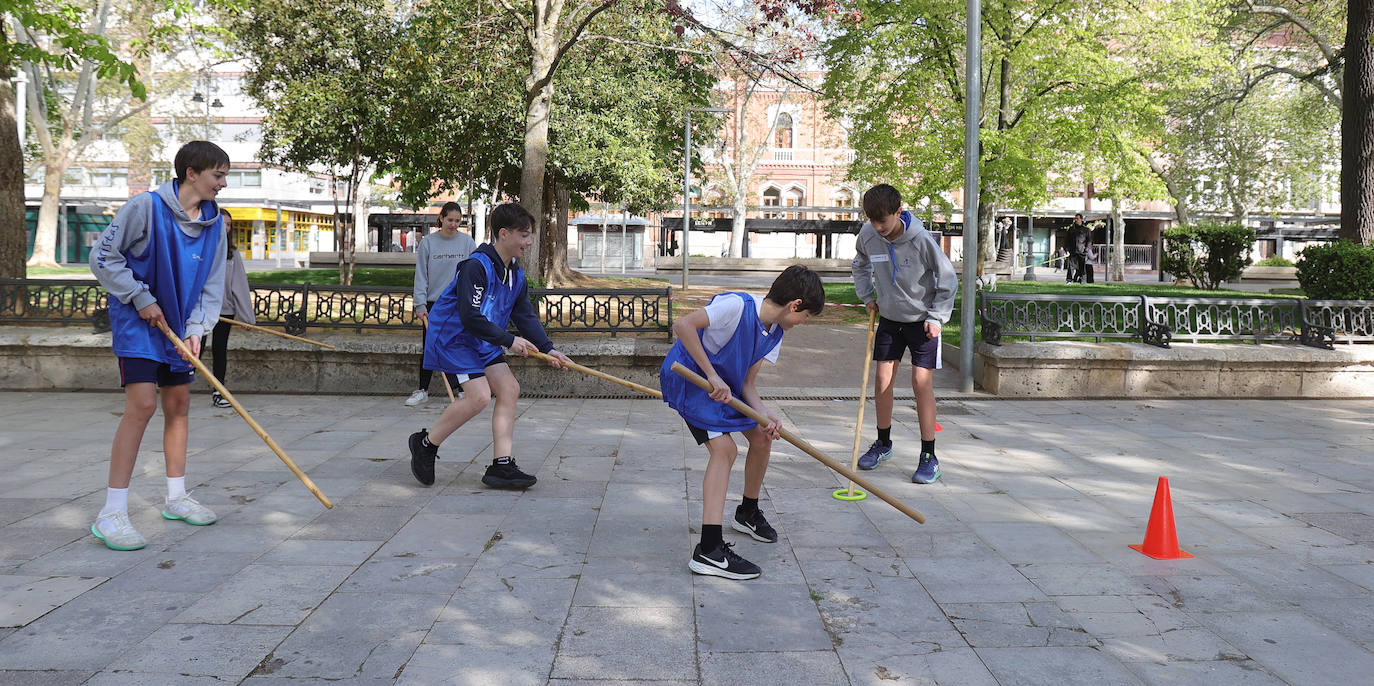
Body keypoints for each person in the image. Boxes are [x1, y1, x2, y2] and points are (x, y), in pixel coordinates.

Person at [87, 140, 230, 550]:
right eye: (217, 175)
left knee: (179, 404)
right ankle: (112, 512)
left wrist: (198, 327)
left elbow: (211, 283)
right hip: (138, 322)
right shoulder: (144, 208)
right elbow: (103, 257)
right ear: (192, 173)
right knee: (143, 405)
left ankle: (176, 497)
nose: (222, 184)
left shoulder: (215, 224)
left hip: (179, 326)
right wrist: (140, 297)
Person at [660, 265, 825, 580]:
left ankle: (747, 511)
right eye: (806, 317)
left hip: (727, 390)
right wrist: (710, 374)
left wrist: (765, 415)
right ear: (796, 305)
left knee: (763, 437)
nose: (803, 323)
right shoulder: (736, 306)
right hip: (691, 381)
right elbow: (683, 326)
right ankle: (709, 550)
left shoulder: (775, 332)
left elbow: (747, 385)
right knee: (725, 450)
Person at [407, 203, 573, 488]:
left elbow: (523, 314)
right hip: (454, 338)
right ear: (504, 234)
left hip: (482, 339)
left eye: (529, 235)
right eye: (523, 235)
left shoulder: (515, 273)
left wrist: (547, 348)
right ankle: (425, 444)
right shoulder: (476, 266)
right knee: (479, 397)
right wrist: (509, 340)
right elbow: (469, 316)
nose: (529, 242)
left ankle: (501, 466)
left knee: (510, 388)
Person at [851, 184, 957, 484]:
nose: (877, 227)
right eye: (872, 220)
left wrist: (937, 316)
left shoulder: (921, 240)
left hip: (923, 321)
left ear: (899, 212)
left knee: (920, 383)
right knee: (883, 380)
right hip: (889, 318)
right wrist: (867, 295)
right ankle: (883, 443)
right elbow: (859, 265)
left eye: (883, 220)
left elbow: (947, 280)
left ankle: (929, 455)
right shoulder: (869, 235)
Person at [406, 202, 477, 406]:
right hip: (433, 304)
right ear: (441, 218)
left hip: (457, 303)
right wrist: (420, 304)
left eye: (457, 221)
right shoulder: (428, 243)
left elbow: (473, 275)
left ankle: (461, 389)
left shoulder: (467, 243)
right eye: (450, 220)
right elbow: (421, 275)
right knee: (430, 346)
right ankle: (422, 389)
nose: (453, 224)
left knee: (456, 346)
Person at [203, 209, 255, 408]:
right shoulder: (200, 250)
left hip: (224, 310)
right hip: (201, 310)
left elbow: (239, 285)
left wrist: (245, 317)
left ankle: (219, 391)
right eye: (222, 223)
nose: (226, 228)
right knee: (194, 349)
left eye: (229, 224)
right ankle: (178, 389)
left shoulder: (232, 254)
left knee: (219, 350)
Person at [1066, 213, 1095, 284]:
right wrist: (1067, 249)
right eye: (1075, 219)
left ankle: (1083, 280)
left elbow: (1089, 240)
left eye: (1077, 219)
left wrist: (1086, 249)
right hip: (1073, 251)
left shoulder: (1086, 230)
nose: (1076, 220)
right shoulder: (1071, 229)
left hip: (1082, 251)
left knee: (1082, 267)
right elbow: (1067, 239)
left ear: (1081, 219)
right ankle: (1069, 280)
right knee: (1070, 266)